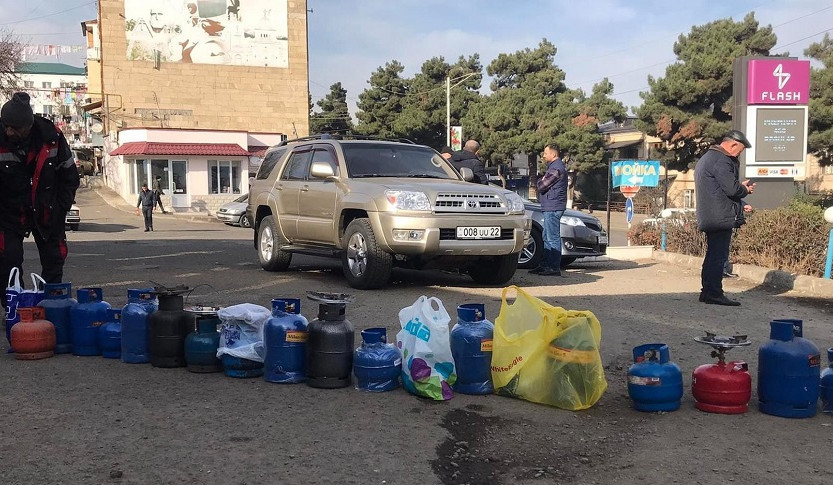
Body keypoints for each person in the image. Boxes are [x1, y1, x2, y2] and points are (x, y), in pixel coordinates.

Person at [0, 92, 80, 287]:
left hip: (47, 210)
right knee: (7, 263)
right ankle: (15, 310)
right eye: (6, 126)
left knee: (54, 260)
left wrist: (61, 207)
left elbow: (69, 177)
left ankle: (50, 306)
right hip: (7, 213)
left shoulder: (52, 137)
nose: (9, 131)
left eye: (15, 128)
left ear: (29, 126)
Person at [694, 130, 756, 306]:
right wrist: (745, 190)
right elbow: (731, 189)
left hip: (710, 214)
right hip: (719, 215)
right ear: (732, 144)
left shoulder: (708, 158)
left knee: (712, 254)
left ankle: (707, 292)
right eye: (740, 150)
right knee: (718, 256)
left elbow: (720, 188)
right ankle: (714, 293)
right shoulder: (721, 160)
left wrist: (740, 197)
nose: (739, 154)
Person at [529, 144, 568, 276]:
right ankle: (545, 265)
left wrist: (541, 179)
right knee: (547, 236)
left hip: (553, 206)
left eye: (545, 153)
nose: (543, 156)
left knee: (552, 237)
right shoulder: (553, 167)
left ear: (554, 154)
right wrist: (542, 178)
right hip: (550, 205)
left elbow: (541, 186)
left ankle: (553, 267)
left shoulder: (556, 168)